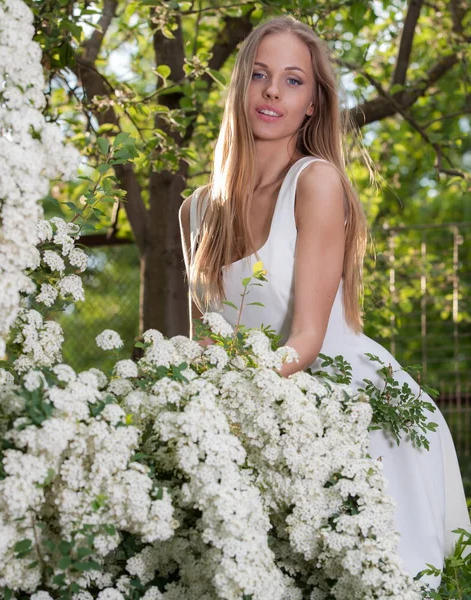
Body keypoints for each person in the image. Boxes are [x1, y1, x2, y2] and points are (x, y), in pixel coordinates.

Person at [179, 15, 470, 588]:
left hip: (356, 415)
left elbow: (307, 339)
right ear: (240, 85)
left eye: (293, 81)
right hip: (257, 418)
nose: (271, 91)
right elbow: (205, 340)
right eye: (260, 75)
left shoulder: (315, 182)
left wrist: (237, 397)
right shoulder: (195, 210)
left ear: (313, 103)